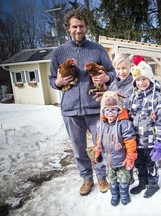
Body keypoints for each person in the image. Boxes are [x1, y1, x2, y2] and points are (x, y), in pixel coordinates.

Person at [49, 8, 115, 196]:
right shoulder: (59, 52)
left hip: (95, 107)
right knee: (78, 150)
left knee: (100, 145)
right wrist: (58, 82)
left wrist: (106, 78)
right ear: (68, 29)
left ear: (86, 27)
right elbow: (51, 79)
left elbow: (112, 72)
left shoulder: (97, 49)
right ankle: (87, 178)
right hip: (71, 111)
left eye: (81, 26)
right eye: (74, 27)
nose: (78, 30)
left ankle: (102, 176)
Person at [127, 58, 161, 198]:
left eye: (144, 79)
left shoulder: (156, 98)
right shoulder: (133, 97)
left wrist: (160, 142)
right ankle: (142, 182)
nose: (141, 82)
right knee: (139, 163)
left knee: (151, 163)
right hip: (136, 140)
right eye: (138, 80)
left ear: (150, 79)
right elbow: (128, 117)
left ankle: (153, 184)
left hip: (150, 140)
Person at [94, 91, 137, 206]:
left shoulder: (124, 124)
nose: (110, 113)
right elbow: (99, 139)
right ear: (103, 111)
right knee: (112, 179)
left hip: (122, 160)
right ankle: (114, 195)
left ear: (119, 110)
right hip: (108, 161)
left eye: (113, 110)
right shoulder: (101, 124)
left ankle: (124, 194)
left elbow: (130, 141)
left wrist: (130, 156)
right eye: (107, 110)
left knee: (124, 179)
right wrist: (98, 151)